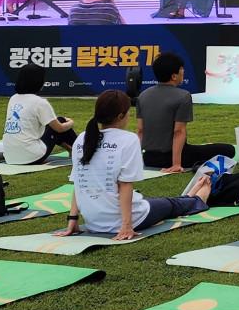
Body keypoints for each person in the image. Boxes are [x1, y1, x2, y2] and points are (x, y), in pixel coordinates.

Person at [56, 91, 211, 241]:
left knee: (162, 202)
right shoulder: (128, 139)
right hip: (130, 218)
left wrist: (73, 220)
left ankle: (188, 197)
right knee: (170, 205)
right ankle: (197, 199)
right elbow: (125, 185)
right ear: (120, 116)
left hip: (94, 222)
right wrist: (126, 226)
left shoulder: (82, 138)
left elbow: (79, 182)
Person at [136, 52, 234, 172]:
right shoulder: (183, 96)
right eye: (181, 69)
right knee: (229, 150)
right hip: (173, 158)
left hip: (148, 158)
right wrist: (176, 164)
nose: (183, 72)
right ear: (174, 76)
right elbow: (179, 131)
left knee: (201, 149)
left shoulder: (143, 96)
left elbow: (140, 131)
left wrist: (137, 160)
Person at [2, 65, 76, 165]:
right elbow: (59, 128)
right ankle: (81, 150)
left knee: (52, 126)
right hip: (31, 156)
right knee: (61, 121)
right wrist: (71, 122)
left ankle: (72, 150)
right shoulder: (40, 103)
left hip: (10, 156)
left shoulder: (13, 99)